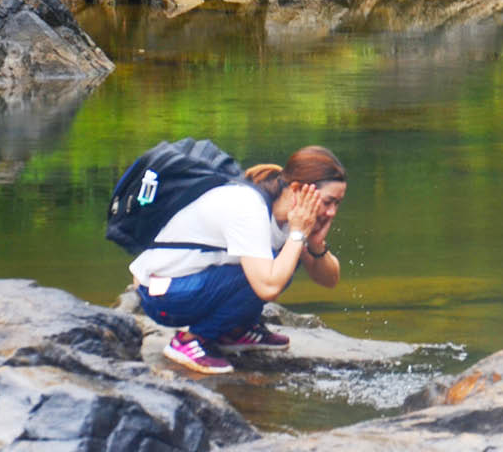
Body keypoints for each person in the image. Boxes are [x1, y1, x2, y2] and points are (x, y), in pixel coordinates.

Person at [130, 145, 347, 374]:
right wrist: (298, 235)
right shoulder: (248, 206)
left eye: (337, 204)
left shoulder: (291, 217)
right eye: (327, 201)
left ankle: (233, 331)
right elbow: (267, 287)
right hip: (162, 295)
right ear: (296, 189)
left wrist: (315, 242)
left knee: (286, 258)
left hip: (188, 287)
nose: (332, 212)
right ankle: (190, 341)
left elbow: (329, 280)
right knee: (274, 265)